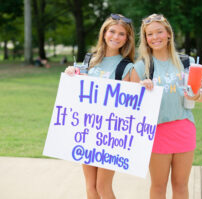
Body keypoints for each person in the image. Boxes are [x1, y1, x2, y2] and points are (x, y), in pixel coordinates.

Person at [131, 14, 202, 199]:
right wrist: (142, 91)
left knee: (181, 186)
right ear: (146, 39)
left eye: (159, 32)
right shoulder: (141, 67)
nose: (155, 37)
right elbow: (131, 105)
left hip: (184, 128)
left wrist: (196, 94)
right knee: (158, 186)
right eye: (150, 34)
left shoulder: (186, 62)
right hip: (156, 131)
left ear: (168, 34)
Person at [65, 13, 135, 199]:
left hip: (111, 135)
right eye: (112, 31)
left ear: (127, 39)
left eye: (122, 34)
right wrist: (71, 72)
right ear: (104, 33)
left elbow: (133, 105)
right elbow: (77, 90)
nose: (116, 36)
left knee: (103, 187)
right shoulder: (90, 60)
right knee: (90, 187)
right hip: (88, 130)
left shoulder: (127, 67)